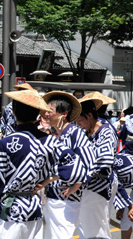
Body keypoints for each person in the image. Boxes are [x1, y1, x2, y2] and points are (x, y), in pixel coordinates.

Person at [0, 90, 86, 239]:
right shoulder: (51, 141)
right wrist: (49, 179)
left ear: (14, 112)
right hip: (34, 208)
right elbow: (78, 171)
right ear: (38, 114)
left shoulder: (6, 142)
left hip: (10, 210)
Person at [42, 91, 95, 239]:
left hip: (66, 198)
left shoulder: (74, 133)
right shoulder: (58, 134)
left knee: (60, 235)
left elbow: (89, 162)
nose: (46, 114)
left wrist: (75, 186)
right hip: (56, 195)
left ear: (63, 114)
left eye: (50, 111)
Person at [75, 96, 119, 239]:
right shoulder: (85, 132)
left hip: (101, 183)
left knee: (98, 227)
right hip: (88, 184)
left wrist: (82, 176)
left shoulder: (106, 131)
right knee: (87, 225)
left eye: (80, 120)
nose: (79, 124)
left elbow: (105, 160)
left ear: (89, 116)